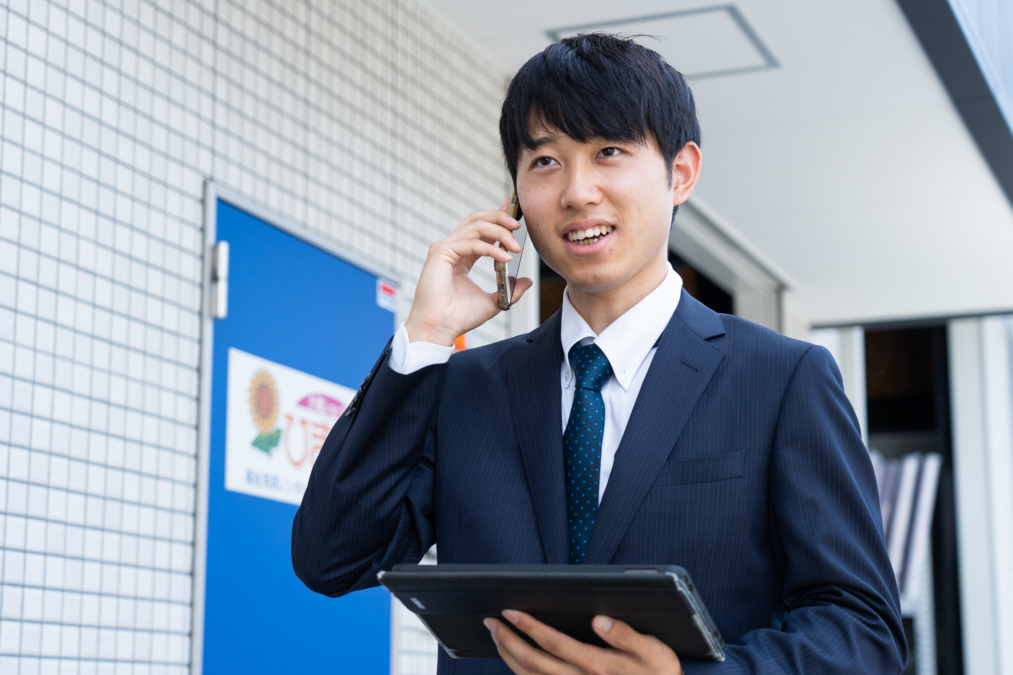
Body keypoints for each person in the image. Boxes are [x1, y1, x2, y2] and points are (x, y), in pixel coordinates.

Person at [292, 33, 907, 674]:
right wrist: (424, 338)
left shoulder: (782, 379)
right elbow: (332, 559)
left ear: (681, 173)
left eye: (608, 151)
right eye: (545, 162)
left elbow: (861, 633)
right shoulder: (466, 386)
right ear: (515, 199)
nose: (577, 192)